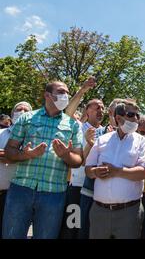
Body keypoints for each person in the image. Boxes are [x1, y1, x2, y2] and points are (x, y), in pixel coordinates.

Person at [3, 81, 83, 239]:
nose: (65, 96)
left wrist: (66, 155)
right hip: (21, 189)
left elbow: (78, 160)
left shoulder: (73, 125)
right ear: (47, 95)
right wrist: (27, 155)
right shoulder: (27, 118)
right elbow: (9, 151)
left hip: (53, 194)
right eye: (61, 92)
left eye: (67, 93)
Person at [85, 100, 145, 239]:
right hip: (99, 212)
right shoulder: (102, 140)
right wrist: (95, 172)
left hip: (129, 212)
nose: (136, 119)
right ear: (118, 118)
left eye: (138, 116)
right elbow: (88, 169)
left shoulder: (142, 142)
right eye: (131, 115)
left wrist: (117, 171)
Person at [78, 98, 123, 239]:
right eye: (117, 112)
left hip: (115, 199)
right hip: (89, 192)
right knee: (83, 229)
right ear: (111, 113)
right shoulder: (97, 134)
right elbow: (84, 162)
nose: (120, 117)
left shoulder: (134, 140)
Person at [60, 98, 105, 239]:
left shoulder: (106, 132)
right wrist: (84, 89)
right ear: (87, 110)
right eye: (97, 107)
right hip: (77, 186)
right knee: (72, 227)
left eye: (102, 108)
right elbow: (68, 112)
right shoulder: (78, 127)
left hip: (96, 188)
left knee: (87, 228)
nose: (100, 111)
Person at [0, 102, 33, 239]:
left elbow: (29, 158)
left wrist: (11, 155)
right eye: (19, 109)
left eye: (26, 110)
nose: (22, 111)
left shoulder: (32, 137)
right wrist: (14, 155)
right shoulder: (1, 133)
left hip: (17, 195)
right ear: (12, 115)